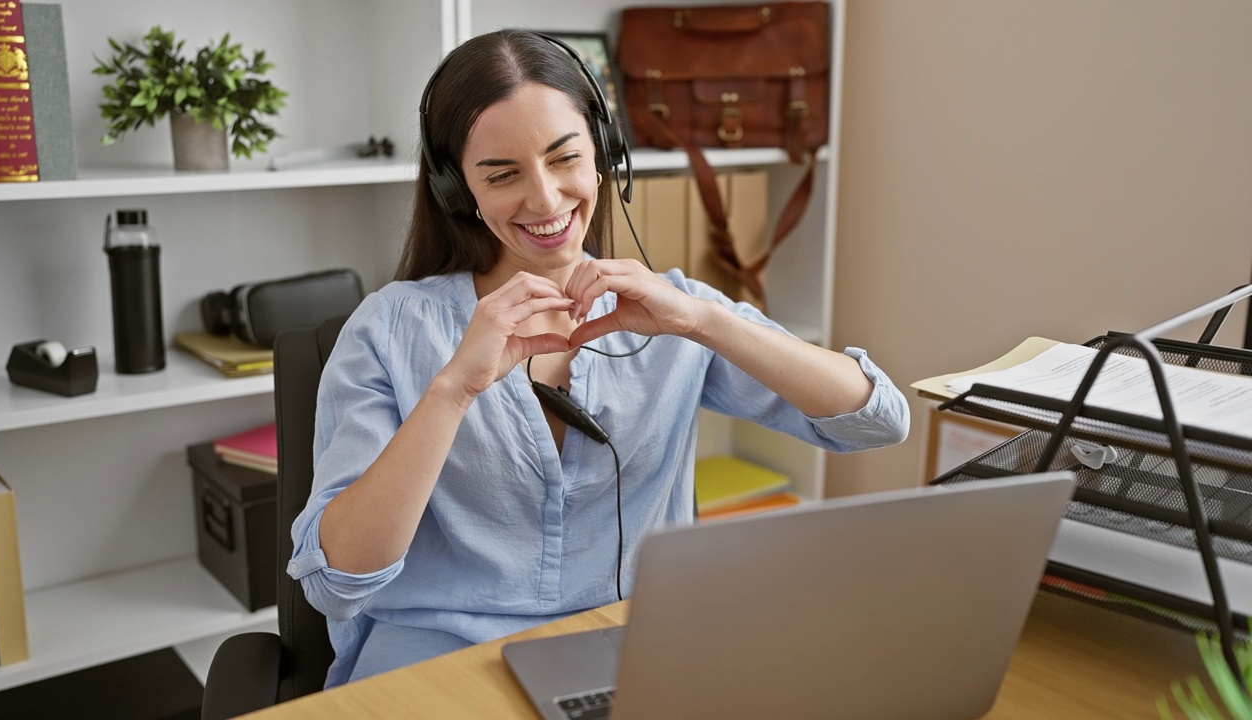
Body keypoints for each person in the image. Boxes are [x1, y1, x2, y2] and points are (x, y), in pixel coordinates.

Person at [288, 29, 910, 689]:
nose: (547, 200)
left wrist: (704, 320)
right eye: (502, 175)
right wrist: (452, 392)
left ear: (607, 153)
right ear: (456, 189)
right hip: (435, 667)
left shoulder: (677, 311)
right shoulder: (390, 328)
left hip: (631, 660)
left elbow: (876, 420)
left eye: (564, 159)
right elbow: (337, 581)